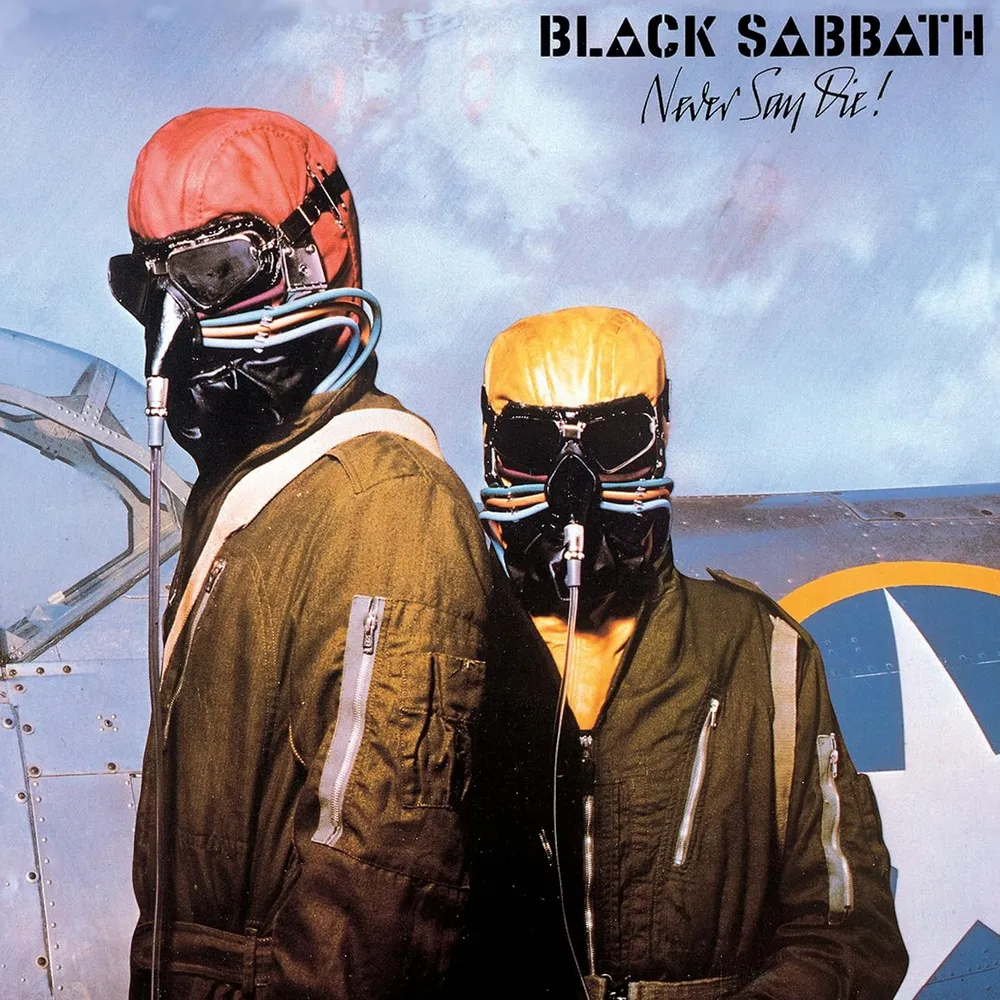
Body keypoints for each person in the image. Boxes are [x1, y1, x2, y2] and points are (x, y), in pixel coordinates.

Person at [109, 107, 491, 999]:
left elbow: (376, 888)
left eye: (214, 272)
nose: (176, 325)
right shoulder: (257, 496)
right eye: (150, 288)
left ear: (316, 255)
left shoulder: (387, 504)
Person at [464, 306, 908, 999]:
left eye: (615, 439)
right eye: (532, 443)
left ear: (661, 436)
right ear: (491, 445)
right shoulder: (448, 654)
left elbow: (848, 930)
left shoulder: (763, 653)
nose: (573, 483)